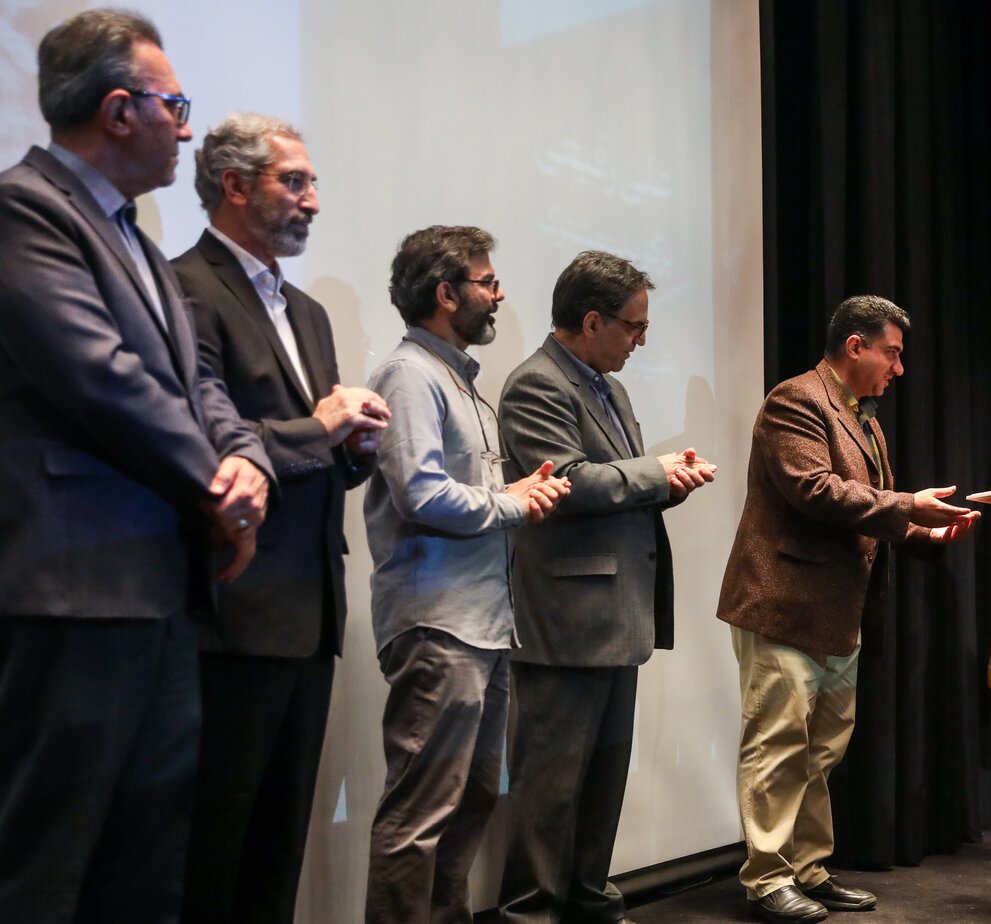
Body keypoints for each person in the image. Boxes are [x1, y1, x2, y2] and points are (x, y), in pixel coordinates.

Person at [0, 10, 272, 923]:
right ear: (120, 112)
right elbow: (99, 378)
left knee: (147, 863)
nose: (187, 127)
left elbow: (197, 380)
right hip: (71, 592)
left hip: (159, 591)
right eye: (175, 105)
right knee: (46, 863)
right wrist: (217, 488)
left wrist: (245, 465)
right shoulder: (24, 210)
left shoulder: (139, 241)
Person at [171, 113, 390, 924]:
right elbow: (204, 438)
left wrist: (357, 447)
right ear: (234, 186)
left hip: (309, 610)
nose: (313, 202)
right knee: (212, 849)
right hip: (230, 611)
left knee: (277, 849)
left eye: (312, 183)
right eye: (293, 182)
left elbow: (312, 459)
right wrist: (326, 426)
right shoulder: (182, 289)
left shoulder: (308, 312)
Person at [716, 295, 980, 924]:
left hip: (836, 613)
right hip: (783, 604)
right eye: (892, 353)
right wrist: (909, 508)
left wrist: (921, 532)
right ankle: (768, 877)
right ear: (855, 345)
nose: (899, 368)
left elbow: (869, 508)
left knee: (821, 749)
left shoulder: (864, 417)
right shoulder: (796, 401)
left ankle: (806, 869)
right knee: (778, 743)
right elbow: (815, 491)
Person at [497, 250, 716, 924]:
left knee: (601, 785)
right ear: (591, 321)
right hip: (565, 621)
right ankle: (530, 914)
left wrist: (668, 481)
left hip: (617, 616)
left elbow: (620, 488)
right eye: (634, 326)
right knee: (548, 791)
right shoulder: (535, 384)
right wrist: (654, 473)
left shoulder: (608, 387)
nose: (641, 340)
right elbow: (566, 483)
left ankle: (589, 900)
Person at [363, 226, 570, 924]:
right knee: (420, 815)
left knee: (474, 798)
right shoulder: (409, 375)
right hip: (437, 626)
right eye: (487, 281)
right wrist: (508, 501)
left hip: (482, 626)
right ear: (446, 294)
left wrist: (522, 492)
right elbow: (421, 494)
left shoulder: (459, 381)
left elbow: (471, 499)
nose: (500, 292)